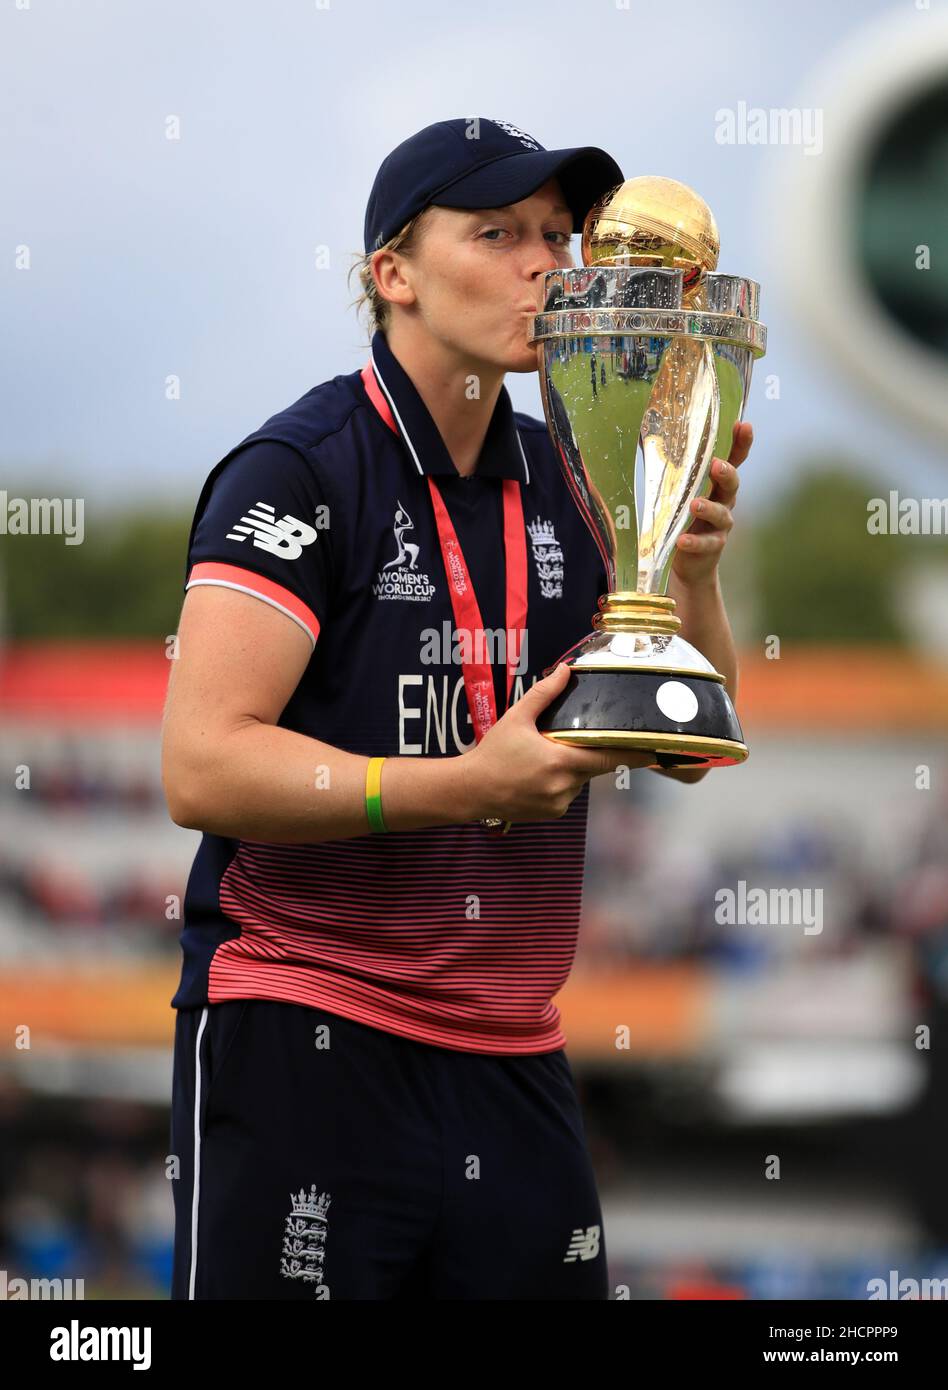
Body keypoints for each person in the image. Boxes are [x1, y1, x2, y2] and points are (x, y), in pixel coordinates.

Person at [161, 115, 750, 1301]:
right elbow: (202, 770)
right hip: (309, 1026)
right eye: (496, 233)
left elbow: (687, 748)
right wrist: (466, 784)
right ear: (395, 276)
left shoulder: (578, 466)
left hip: (512, 1045)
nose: (545, 262)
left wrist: (689, 571)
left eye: (554, 233)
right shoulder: (302, 469)